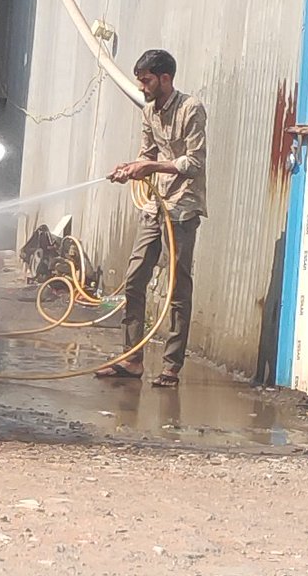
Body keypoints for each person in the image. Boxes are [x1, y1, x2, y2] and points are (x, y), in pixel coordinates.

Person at [95, 48, 206, 386]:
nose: (142, 87)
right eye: (141, 81)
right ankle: (132, 359)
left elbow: (194, 163)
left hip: (182, 207)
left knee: (177, 287)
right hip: (155, 206)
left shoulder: (191, 108)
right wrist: (129, 168)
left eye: (146, 81)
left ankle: (171, 366)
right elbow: (146, 154)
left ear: (165, 78)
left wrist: (150, 166)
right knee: (134, 279)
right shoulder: (148, 111)